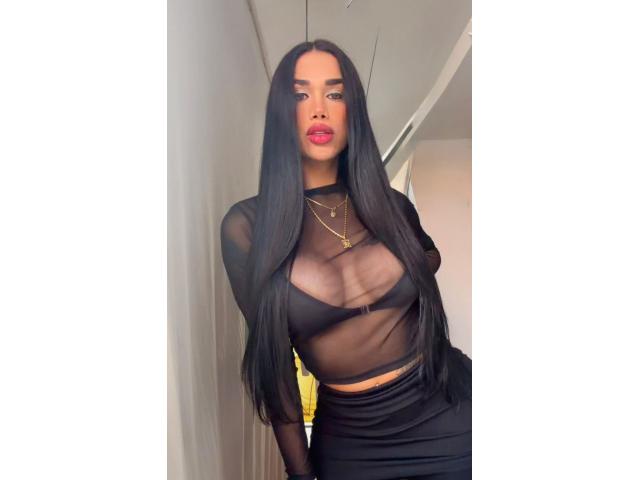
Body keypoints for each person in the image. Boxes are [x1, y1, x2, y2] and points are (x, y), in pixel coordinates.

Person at [220, 39, 471, 480]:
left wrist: (406, 267)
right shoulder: (248, 227)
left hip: (451, 420)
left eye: (334, 94)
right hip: (352, 447)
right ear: (281, 114)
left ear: (352, 110)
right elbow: (276, 371)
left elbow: (430, 253)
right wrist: (300, 474)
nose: (319, 110)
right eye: (301, 95)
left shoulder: (391, 206)